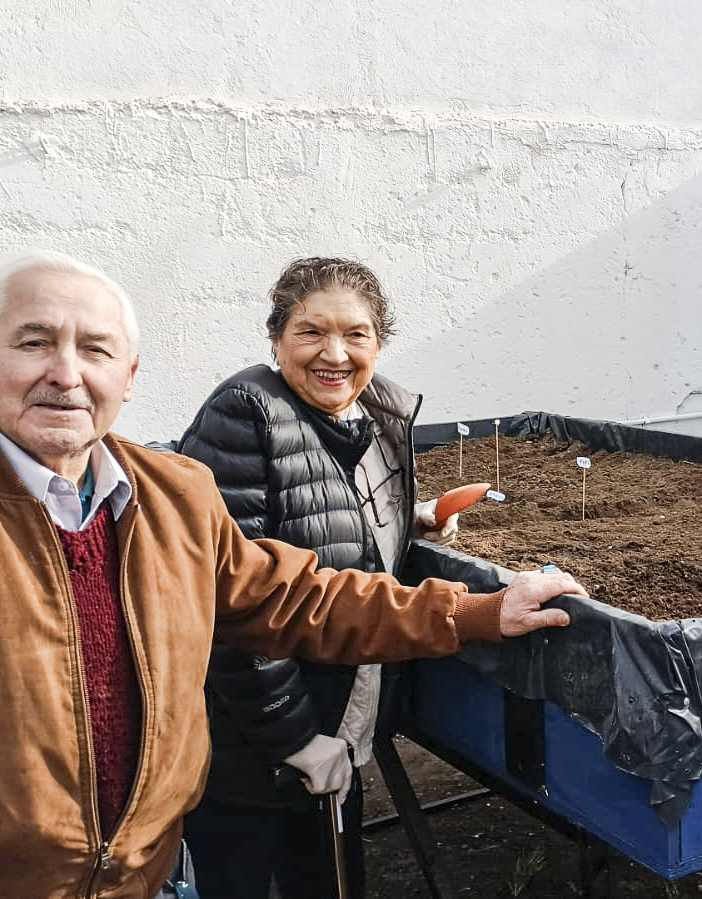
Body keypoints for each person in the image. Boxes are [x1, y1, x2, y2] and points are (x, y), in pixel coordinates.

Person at [0, 250, 586, 898]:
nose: (66, 373)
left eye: (95, 349)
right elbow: (243, 638)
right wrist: (296, 737)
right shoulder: (246, 415)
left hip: (141, 875)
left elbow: (292, 595)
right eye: (34, 343)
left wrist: (479, 609)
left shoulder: (173, 495)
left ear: (129, 376)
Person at [175, 257, 462, 898]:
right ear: (277, 339)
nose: (335, 354)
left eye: (356, 334)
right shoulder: (244, 414)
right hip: (254, 750)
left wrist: (406, 522)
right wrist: (297, 739)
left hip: (338, 727)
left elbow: (325, 517)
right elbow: (228, 601)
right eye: (310, 332)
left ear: (379, 343)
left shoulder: (371, 418)